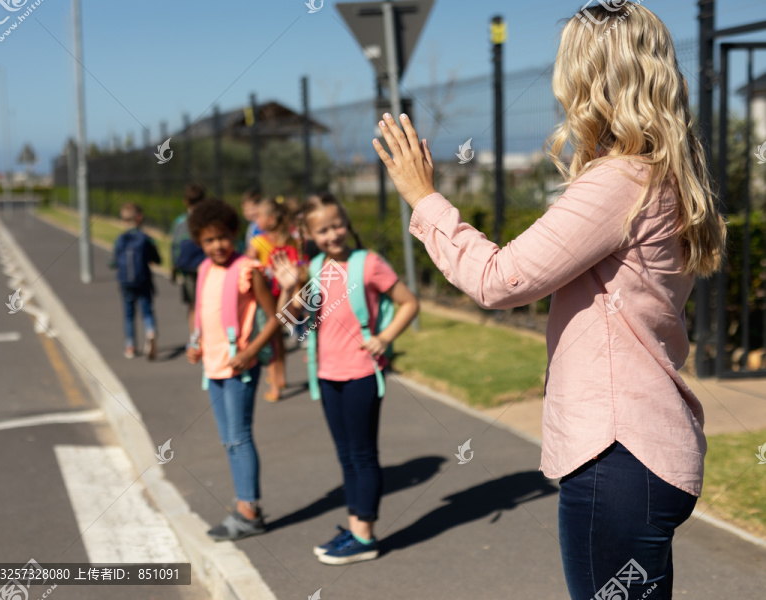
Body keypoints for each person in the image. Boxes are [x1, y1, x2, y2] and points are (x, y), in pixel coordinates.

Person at [372, 5, 725, 598]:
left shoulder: (621, 182)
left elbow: (499, 278)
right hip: (643, 455)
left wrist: (423, 198)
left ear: (590, 77)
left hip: (618, 453)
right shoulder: (663, 174)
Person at [273, 193, 419, 565]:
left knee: (363, 454)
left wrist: (384, 338)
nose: (333, 234)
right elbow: (289, 322)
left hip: (361, 375)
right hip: (325, 375)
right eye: (322, 230)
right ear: (308, 234)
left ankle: (365, 537)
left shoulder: (367, 263)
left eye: (337, 225)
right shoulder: (316, 267)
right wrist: (289, 286)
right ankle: (355, 528)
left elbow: (409, 302)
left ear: (346, 223)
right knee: (346, 456)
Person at [185, 198, 291, 541]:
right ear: (200, 242)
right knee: (228, 439)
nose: (217, 246)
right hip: (213, 366)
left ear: (233, 233)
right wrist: (194, 341)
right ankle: (244, 504)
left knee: (240, 436)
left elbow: (276, 317)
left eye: (222, 237)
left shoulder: (248, 269)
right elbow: (199, 309)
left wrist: (250, 352)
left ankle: (248, 510)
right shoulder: (203, 270)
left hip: (238, 367)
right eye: (208, 240)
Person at [246, 196, 300, 401]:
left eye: (258, 215)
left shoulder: (258, 242)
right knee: (279, 340)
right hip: (287, 298)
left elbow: (248, 264)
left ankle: (275, 386)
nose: (255, 218)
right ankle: (281, 377)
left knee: (270, 341)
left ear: (270, 219)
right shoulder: (291, 241)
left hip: (268, 300)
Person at [111, 203, 163, 360]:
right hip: (144, 280)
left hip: (125, 282)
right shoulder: (146, 239)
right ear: (140, 218)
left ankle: (130, 345)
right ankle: (151, 331)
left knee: (129, 314)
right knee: (147, 311)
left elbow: (112, 262)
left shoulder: (120, 239)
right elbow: (157, 259)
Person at [171, 183, 207, 335]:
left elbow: (174, 246)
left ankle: (195, 336)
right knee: (207, 303)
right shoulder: (206, 220)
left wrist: (174, 268)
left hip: (187, 269)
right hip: (206, 267)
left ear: (186, 201)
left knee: (192, 306)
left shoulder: (180, 222)